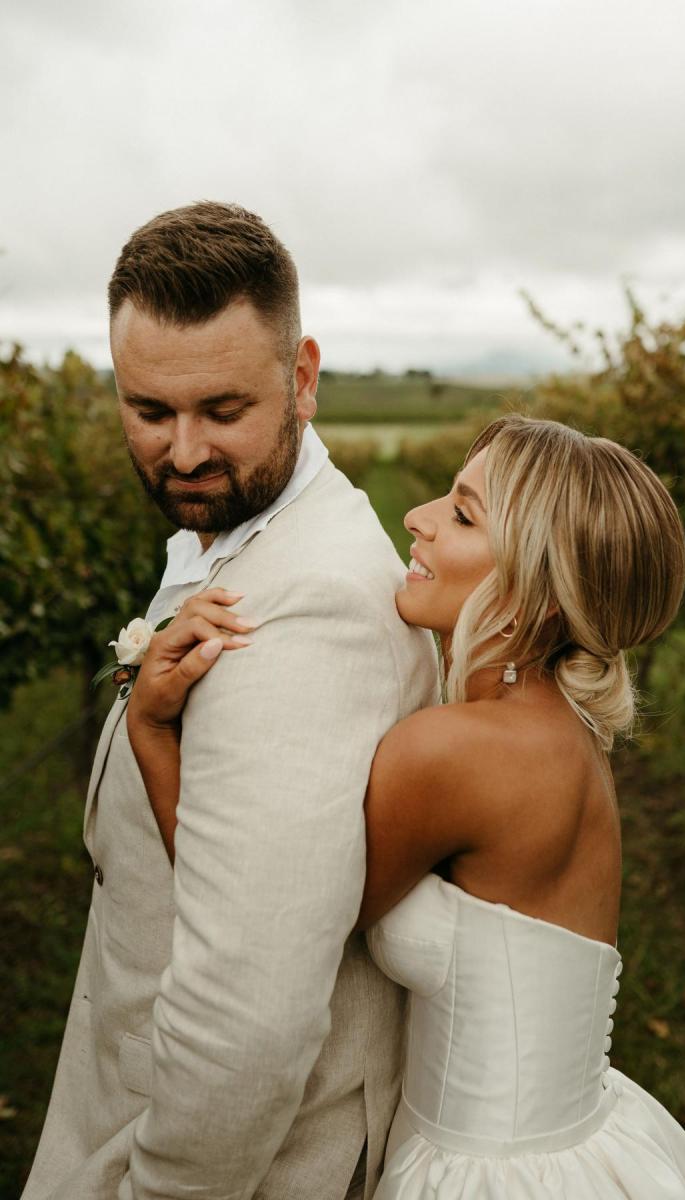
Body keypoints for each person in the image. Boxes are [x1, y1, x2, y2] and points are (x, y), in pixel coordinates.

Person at [129, 414, 685, 1198]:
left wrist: (153, 732)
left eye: (464, 513)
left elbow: (271, 923)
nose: (418, 516)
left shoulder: (456, 752)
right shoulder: (556, 727)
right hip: (583, 1144)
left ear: (536, 593)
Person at [22, 202, 440, 1200]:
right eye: (149, 411)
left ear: (300, 379)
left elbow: (246, 1020)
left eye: (222, 410)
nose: (182, 455)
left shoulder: (311, 617)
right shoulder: (224, 533)